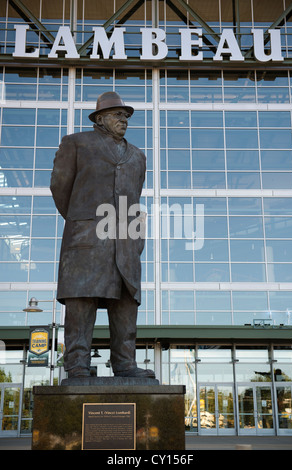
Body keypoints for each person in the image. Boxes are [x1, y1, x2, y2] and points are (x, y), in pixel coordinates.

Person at [50, 91, 155, 379]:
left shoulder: (138, 156)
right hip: (86, 237)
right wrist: (84, 220)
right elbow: (61, 189)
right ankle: (77, 364)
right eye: (118, 115)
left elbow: (134, 195)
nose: (124, 120)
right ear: (100, 118)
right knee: (81, 302)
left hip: (126, 240)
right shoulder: (76, 143)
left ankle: (125, 364)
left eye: (126, 116)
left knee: (125, 303)